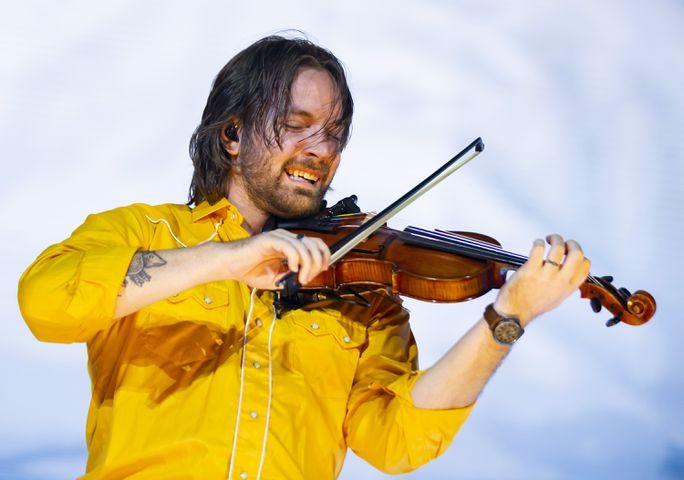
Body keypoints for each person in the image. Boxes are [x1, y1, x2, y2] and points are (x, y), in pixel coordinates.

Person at [18, 35, 590, 479]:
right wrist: (229, 258)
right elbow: (46, 302)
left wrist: (507, 316)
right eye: (298, 126)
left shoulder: (362, 292)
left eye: (335, 134)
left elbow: (398, 440)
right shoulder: (146, 232)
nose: (321, 151)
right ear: (233, 135)